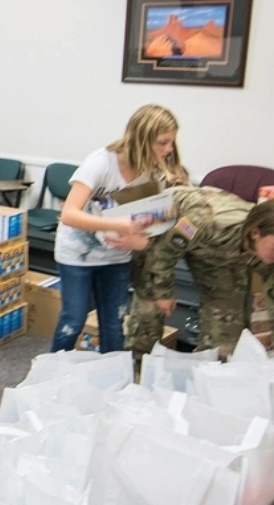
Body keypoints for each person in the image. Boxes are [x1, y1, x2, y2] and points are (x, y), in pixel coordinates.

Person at [50, 104, 188, 354]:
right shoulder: (101, 163)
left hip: (118, 256)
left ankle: (113, 383)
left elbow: (152, 219)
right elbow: (68, 214)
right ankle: (50, 378)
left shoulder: (156, 170)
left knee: (113, 323)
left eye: (171, 143)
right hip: (78, 254)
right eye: (163, 142)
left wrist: (145, 237)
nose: (168, 150)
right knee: (74, 320)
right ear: (141, 140)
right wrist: (117, 224)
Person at [122, 188, 274, 360]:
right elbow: (164, 252)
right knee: (150, 307)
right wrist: (164, 292)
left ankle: (211, 373)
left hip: (217, 252)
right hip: (166, 229)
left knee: (227, 320)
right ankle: (137, 370)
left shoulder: (273, 253)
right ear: (255, 233)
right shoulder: (203, 221)